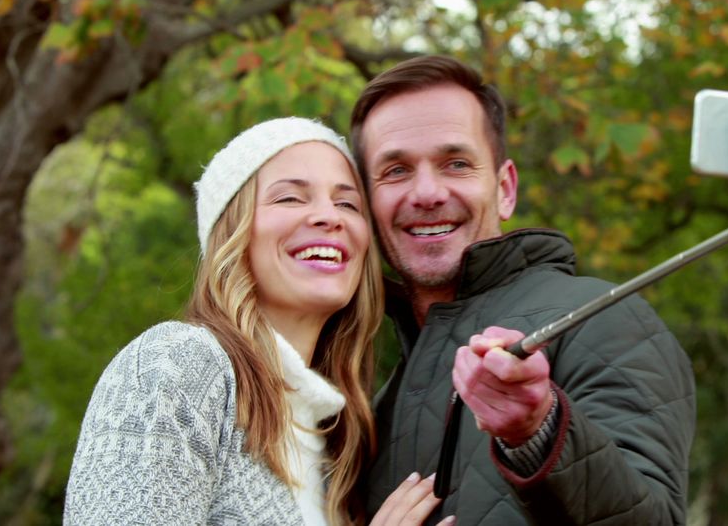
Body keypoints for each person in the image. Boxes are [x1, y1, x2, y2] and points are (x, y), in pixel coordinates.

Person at [350, 56, 697, 525]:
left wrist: (538, 432)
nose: (427, 192)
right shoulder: (374, 404)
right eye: (395, 171)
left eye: (455, 164)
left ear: (505, 189)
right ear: (368, 204)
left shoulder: (604, 320)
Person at [64, 118, 447, 525]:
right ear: (234, 231)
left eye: (348, 204)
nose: (328, 216)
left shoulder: (337, 441)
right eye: (290, 199)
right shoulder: (174, 366)